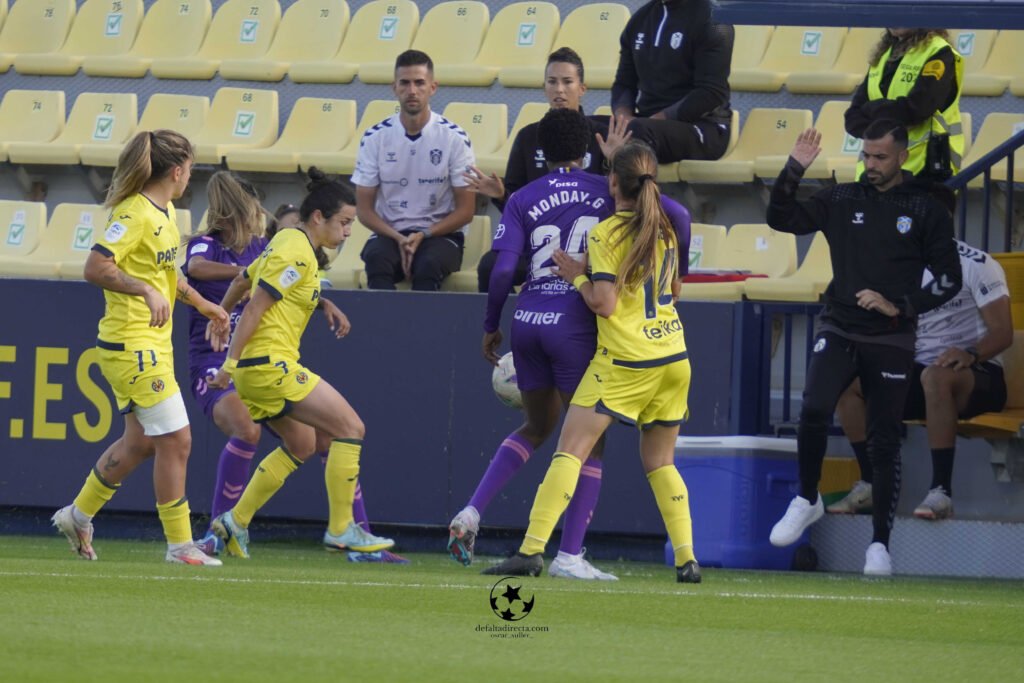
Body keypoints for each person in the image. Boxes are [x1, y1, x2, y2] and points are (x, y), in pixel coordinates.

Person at [482, 141, 702, 584]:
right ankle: (687, 560)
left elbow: (604, 303)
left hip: (625, 361)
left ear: (613, 182)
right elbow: (675, 290)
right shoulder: (663, 231)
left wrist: (577, 276)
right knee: (661, 462)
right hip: (673, 357)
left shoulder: (605, 234)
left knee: (571, 450)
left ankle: (530, 551)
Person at [766, 122, 962, 576]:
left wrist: (901, 305)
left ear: (902, 157)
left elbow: (949, 278)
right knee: (814, 407)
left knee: (884, 439)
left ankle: (879, 546)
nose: (870, 165)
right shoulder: (841, 198)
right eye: (866, 156)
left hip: (891, 335)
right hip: (839, 324)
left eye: (880, 157)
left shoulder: (925, 208)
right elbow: (781, 219)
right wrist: (794, 168)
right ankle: (807, 497)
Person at [51, 129, 230, 566]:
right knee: (178, 440)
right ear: (177, 170)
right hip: (131, 344)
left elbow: (167, 276)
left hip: (152, 344)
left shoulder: (166, 212)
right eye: (190, 168)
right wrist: (144, 291)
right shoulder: (134, 213)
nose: (191, 176)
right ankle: (180, 545)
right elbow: (96, 266)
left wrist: (205, 305)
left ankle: (78, 515)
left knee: (141, 443)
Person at [206, 169, 394, 559]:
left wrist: (220, 317)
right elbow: (256, 306)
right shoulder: (296, 250)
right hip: (268, 365)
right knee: (351, 428)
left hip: (258, 369)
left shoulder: (287, 241)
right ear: (318, 217)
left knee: (302, 443)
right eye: (344, 222)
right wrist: (228, 364)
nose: (347, 233)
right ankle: (342, 529)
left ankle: (235, 521)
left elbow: (242, 281)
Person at [831, 240, 1011, 519]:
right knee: (848, 383)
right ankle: (872, 484)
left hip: (980, 374)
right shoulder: (896, 263)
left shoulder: (977, 264)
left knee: (935, 377)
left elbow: (1003, 333)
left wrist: (970, 354)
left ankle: (941, 492)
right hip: (919, 372)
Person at [464, 47, 630, 292]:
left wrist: (616, 160)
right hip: (538, 243)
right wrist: (500, 195)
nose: (559, 89)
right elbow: (516, 205)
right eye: (552, 82)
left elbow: (625, 198)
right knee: (491, 266)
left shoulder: (603, 136)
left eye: (567, 82)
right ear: (544, 88)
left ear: (582, 89)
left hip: (589, 246)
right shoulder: (528, 136)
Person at [182, 171, 269, 556]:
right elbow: (196, 270)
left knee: (319, 436)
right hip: (212, 362)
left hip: (258, 361)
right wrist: (246, 274)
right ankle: (219, 530)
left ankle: (352, 533)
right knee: (247, 430)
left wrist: (325, 301)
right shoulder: (205, 246)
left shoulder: (262, 246)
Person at [352, 49, 476, 291]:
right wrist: (399, 238)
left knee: (428, 264)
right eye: (405, 83)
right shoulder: (375, 137)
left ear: (432, 87)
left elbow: (466, 211)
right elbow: (364, 211)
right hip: (391, 234)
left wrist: (424, 234)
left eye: (419, 83)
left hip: (440, 235)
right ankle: (382, 318)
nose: (412, 90)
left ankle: (422, 319)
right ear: (394, 87)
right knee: (377, 259)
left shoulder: (454, 138)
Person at [611, 0, 734, 164]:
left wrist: (655, 119)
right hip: (646, 124)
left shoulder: (714, 21)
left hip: (703, 127)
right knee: (590, 128)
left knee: (638, 131)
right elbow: (623, 84)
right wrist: (624, 119)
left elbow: (712, 92)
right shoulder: (640, 19)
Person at [845, 28, 963, 179]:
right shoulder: (884, 54)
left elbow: (918, 108)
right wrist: (882, 121)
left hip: (924, 168)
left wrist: (871, 110)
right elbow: (852, 117)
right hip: (875, 172)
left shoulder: (939, 51)